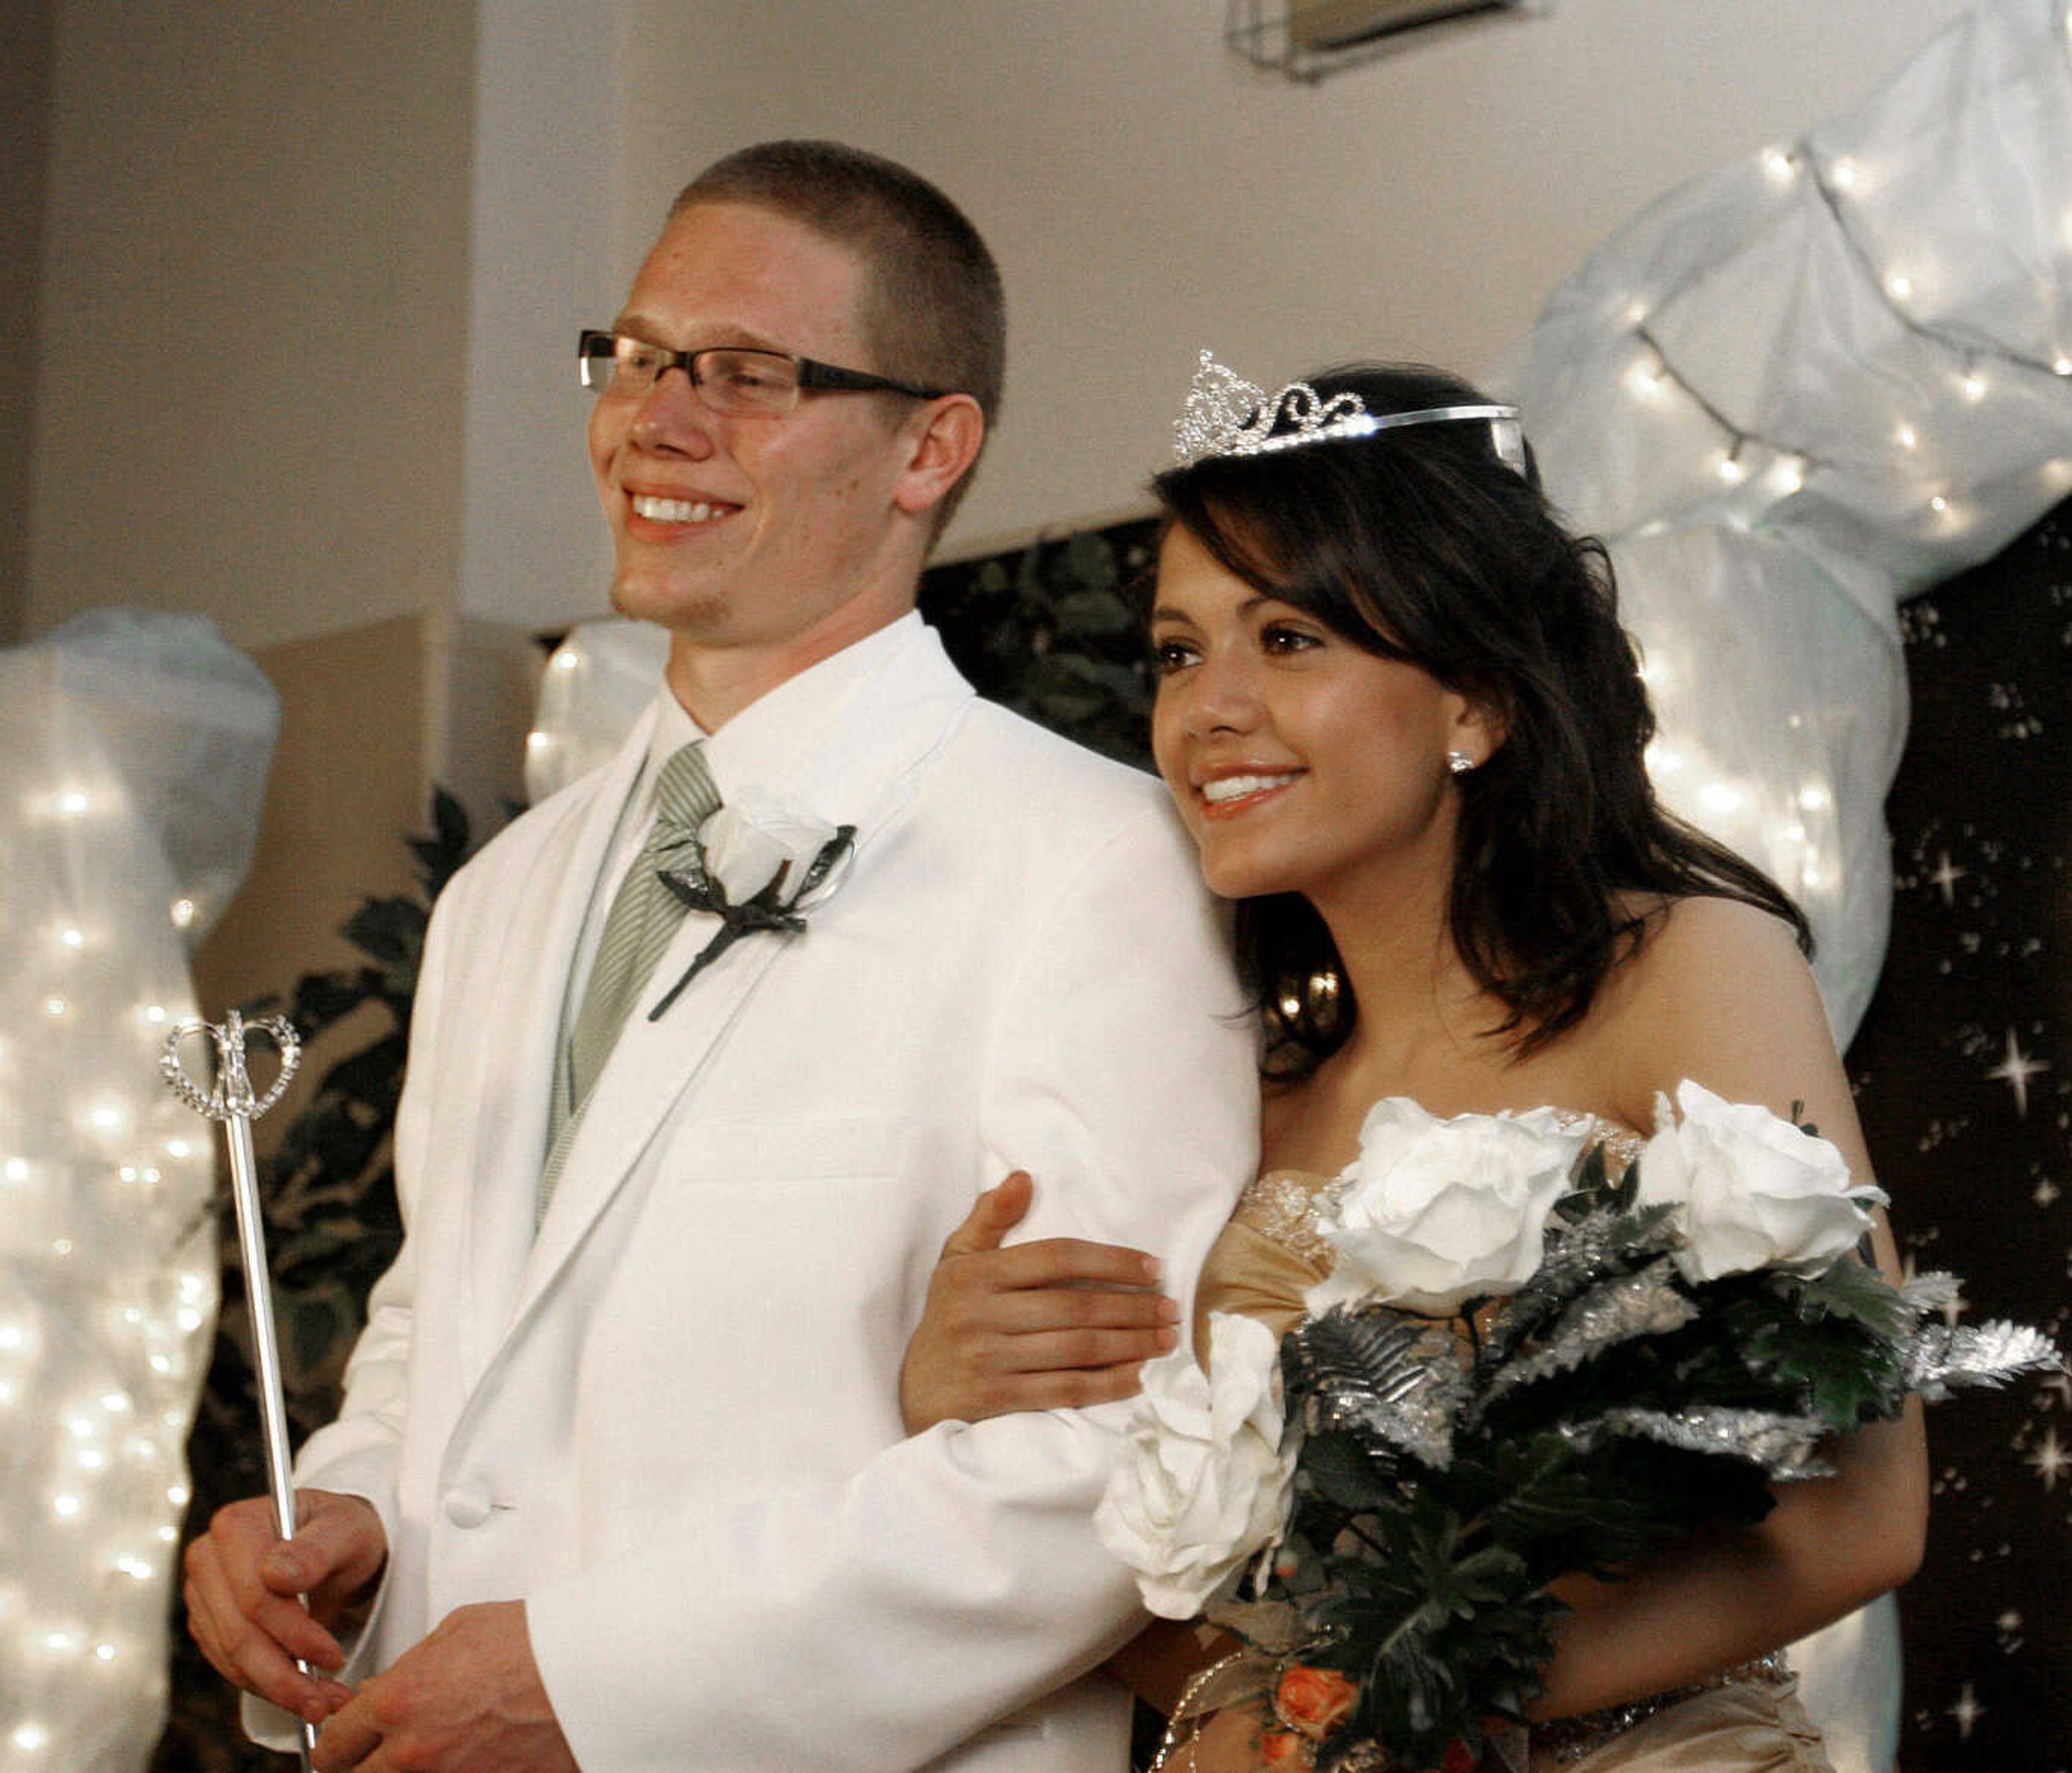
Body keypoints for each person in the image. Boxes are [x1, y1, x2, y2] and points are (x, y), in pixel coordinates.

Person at [181, 141, 1259, 1773]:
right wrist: (342, 1513)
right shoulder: (505, 891)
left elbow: (1106, 1466)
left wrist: (591, 1687)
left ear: (929, 448)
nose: (654, 422)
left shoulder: (1089, 859)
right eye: (636, 359)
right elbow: (438, 1328)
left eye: (748, 375)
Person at [899, 359, 1930, 1769]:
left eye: (1292, 638)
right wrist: (951, 1412)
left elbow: (1861, 1518)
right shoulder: (1230, 1072)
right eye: (1180, 650)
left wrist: (1422, 1716)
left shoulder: (1689, 966)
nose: (1210, 707)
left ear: (1475, 703)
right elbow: (1187, 1621)